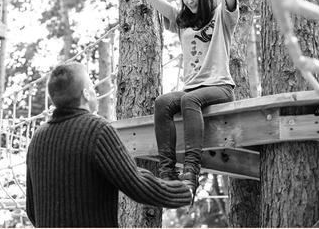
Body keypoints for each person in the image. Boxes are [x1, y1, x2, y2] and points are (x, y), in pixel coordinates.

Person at [25, 62, 193, 227]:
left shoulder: (37, 139)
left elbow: (32, 211)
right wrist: (185, 191)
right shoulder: (96, 130)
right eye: (91, 86)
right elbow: (138, 184)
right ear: (86, 94)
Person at [144, 0, 239, 194]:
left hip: (219, 87)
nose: (189, 1)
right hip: (192, 89)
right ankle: (167, 172)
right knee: (163, 103)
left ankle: (191, 170)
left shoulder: (222, 16)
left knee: (189, 100)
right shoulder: (181, 21)